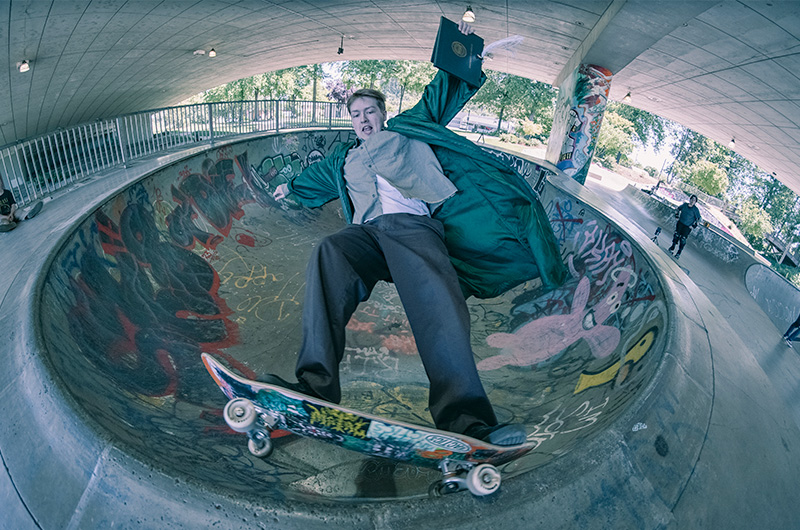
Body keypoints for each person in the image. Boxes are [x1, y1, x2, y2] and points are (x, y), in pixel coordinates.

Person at [268, 21, 566, 446]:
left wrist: (466, 55)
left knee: (438, 302)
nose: (364, 119)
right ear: (350, 122)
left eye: (371, 111)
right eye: (356, 115)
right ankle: (315, 388)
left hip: (414, 229)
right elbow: (308, 181)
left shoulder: (410, 127)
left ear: (383, 114)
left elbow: (443, 89)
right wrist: (289, 188)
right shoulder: (342, 161)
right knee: (329, 251)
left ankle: (467, 422)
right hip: (368, 236)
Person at [668, 195, 702, 259]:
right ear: (690, 199)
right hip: (680, 223)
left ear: (695, 202)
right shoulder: (685, 205)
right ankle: (672, 247)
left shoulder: (695, 210)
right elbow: (678, 209)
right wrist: (677, 216)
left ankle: (679, 252)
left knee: (683, 239)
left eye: (694, 200)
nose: (692, 201)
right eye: (692, 199)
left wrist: (693, 226)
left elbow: (699, 219)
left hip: (687, 226)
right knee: (676, 235)